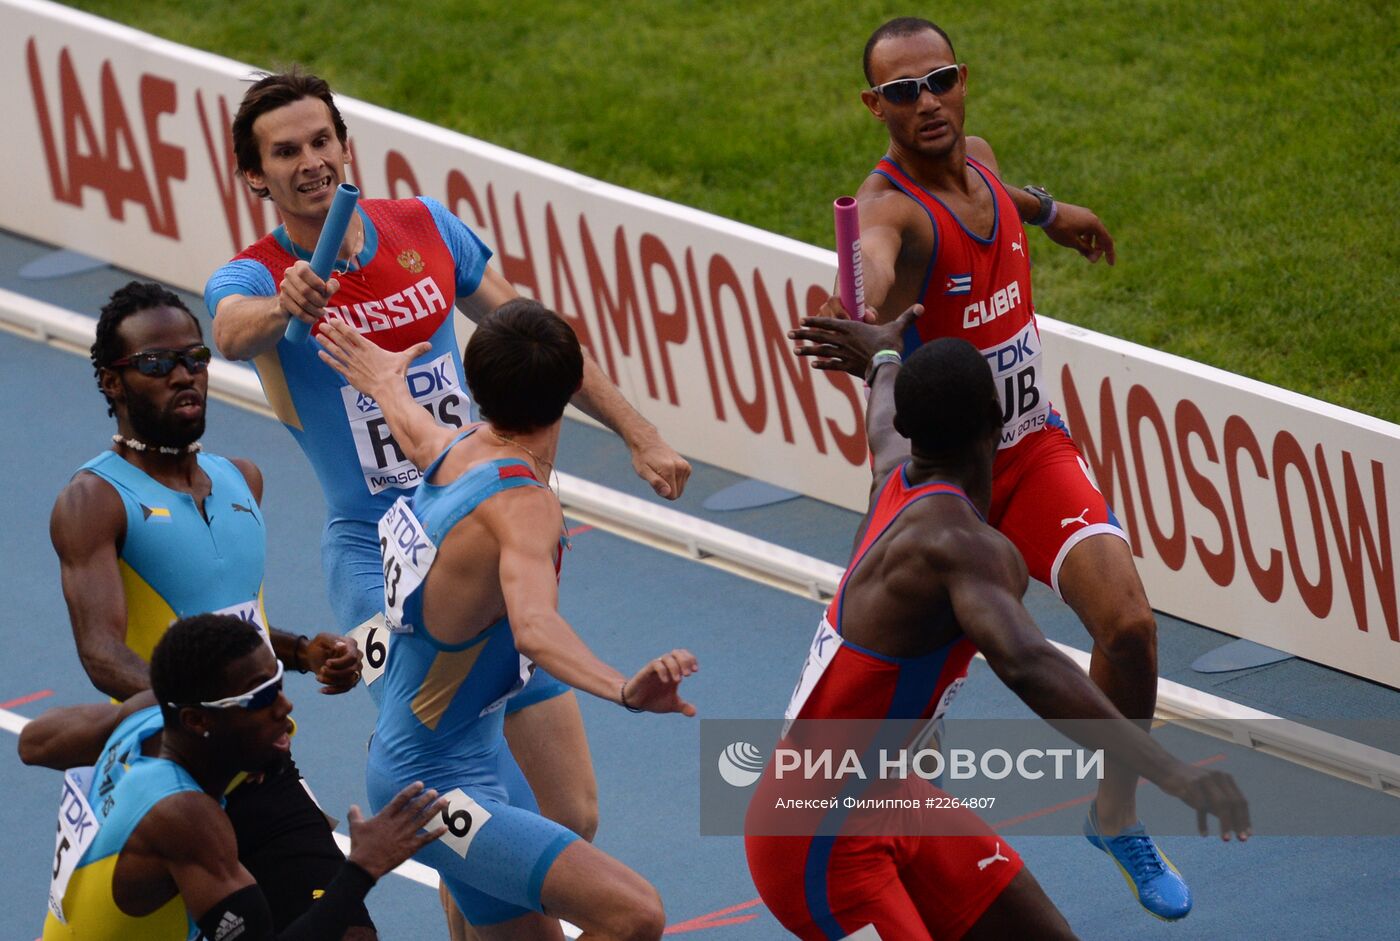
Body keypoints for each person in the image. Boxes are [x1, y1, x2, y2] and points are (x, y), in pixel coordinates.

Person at [203, 77, 692, 926]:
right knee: (458, 779)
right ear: (255, 176)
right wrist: (284, 305)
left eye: (323, 140)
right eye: (286, 151)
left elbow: (537, 333)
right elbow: (229, 328)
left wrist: (638, 431)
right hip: (375, 556)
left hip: (473, 502)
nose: (312, 161)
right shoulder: (258, 276)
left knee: (570, 812)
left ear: (344, 144)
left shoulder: (424, 228)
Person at [821, 16, 1187, 919]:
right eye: (902, 93)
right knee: (910, 748)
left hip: (1031, 448)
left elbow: (995, 190)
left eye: (938, 80)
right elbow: (867, 268)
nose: (926, 103)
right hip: (946, 492)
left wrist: (1056, 214)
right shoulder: (890, 212)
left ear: (961, 78)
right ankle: (909, 875)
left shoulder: (976, 157)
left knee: (1131, 628)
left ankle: (1114, 812)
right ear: (875, 107)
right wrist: (860, 307)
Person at [743, 309, 1248, 940]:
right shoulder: (963, 549)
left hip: (886, 798)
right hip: (813, 846)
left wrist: (883, 358)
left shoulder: (892, 471)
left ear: (908, 426)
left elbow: (880, 409)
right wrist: (1169, 769)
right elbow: (1028, 664)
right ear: (996, 420)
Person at [314, 301, 698, 939]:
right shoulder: (524, 505)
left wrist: (384, 382)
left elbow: (415, 429)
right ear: (574, 387)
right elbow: (535, 629)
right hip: (432, 788)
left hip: (456, 756)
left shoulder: (461, 445)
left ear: (472, 388)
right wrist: (624, 689)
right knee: (635, 914)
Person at [49, 281, 371, 933]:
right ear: (111, 382)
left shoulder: (240, 478)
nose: (183, 375)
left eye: (194, 358)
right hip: (173, 770)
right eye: (156, 363)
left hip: (259, 762)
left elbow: (229, 623)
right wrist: (210, 710)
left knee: (345, 928)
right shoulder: (94, 499)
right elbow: (103, 655)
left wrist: (301, 651)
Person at [20, 613, 447, 941]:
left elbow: (33, 740)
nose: (285, 708)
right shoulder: (183, 817)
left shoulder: (145, 718)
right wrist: (363, 867)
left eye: (278, 685)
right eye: (258, 698)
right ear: (196, 719)